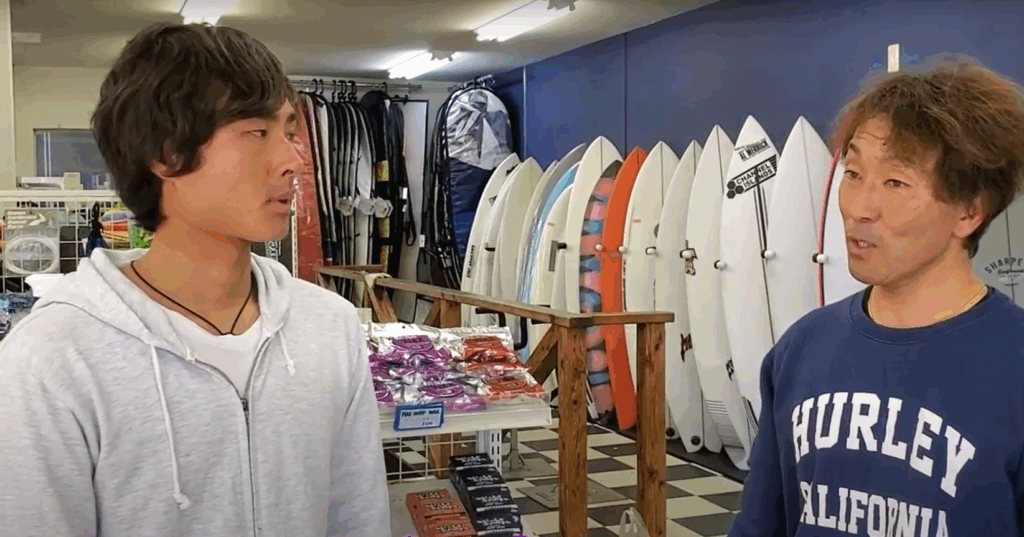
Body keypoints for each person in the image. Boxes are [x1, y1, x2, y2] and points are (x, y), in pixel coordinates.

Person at [0, 22, 390, 536]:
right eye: (256, 132)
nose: (294, 160)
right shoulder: (53, 358)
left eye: (290, 131)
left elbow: (358, 516)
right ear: (167, 153)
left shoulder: (329, 325)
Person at [728, 55, 1024, 536]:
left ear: (969, 212)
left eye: (895, 182)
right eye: (853, 173)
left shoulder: (1013, 365)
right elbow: (761, 525)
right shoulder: (801, 349)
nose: (859, 209)